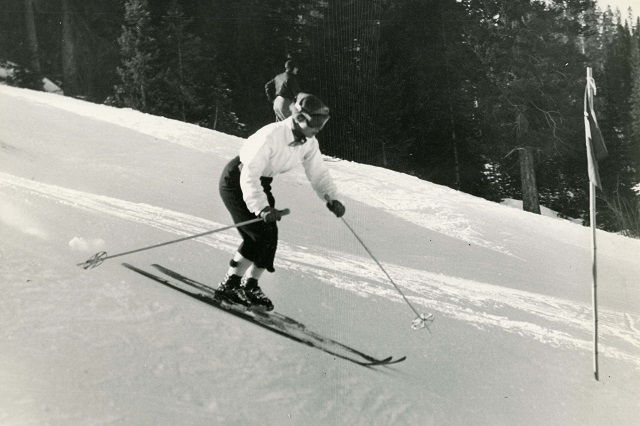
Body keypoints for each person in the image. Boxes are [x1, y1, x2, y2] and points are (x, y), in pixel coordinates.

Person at [218, 93, 345, 311]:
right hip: (238, 181)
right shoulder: (271, 136)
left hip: (261, 183)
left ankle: (250, 286)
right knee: (258, 235)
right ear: (300, 118)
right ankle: (229, 285)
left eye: (322, 123)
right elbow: (249, 174)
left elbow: (318, 173)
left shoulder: (308, 142)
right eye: (315, 123)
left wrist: (331, 197)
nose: (318, 128)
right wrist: (261, 207)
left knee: (270, 236)